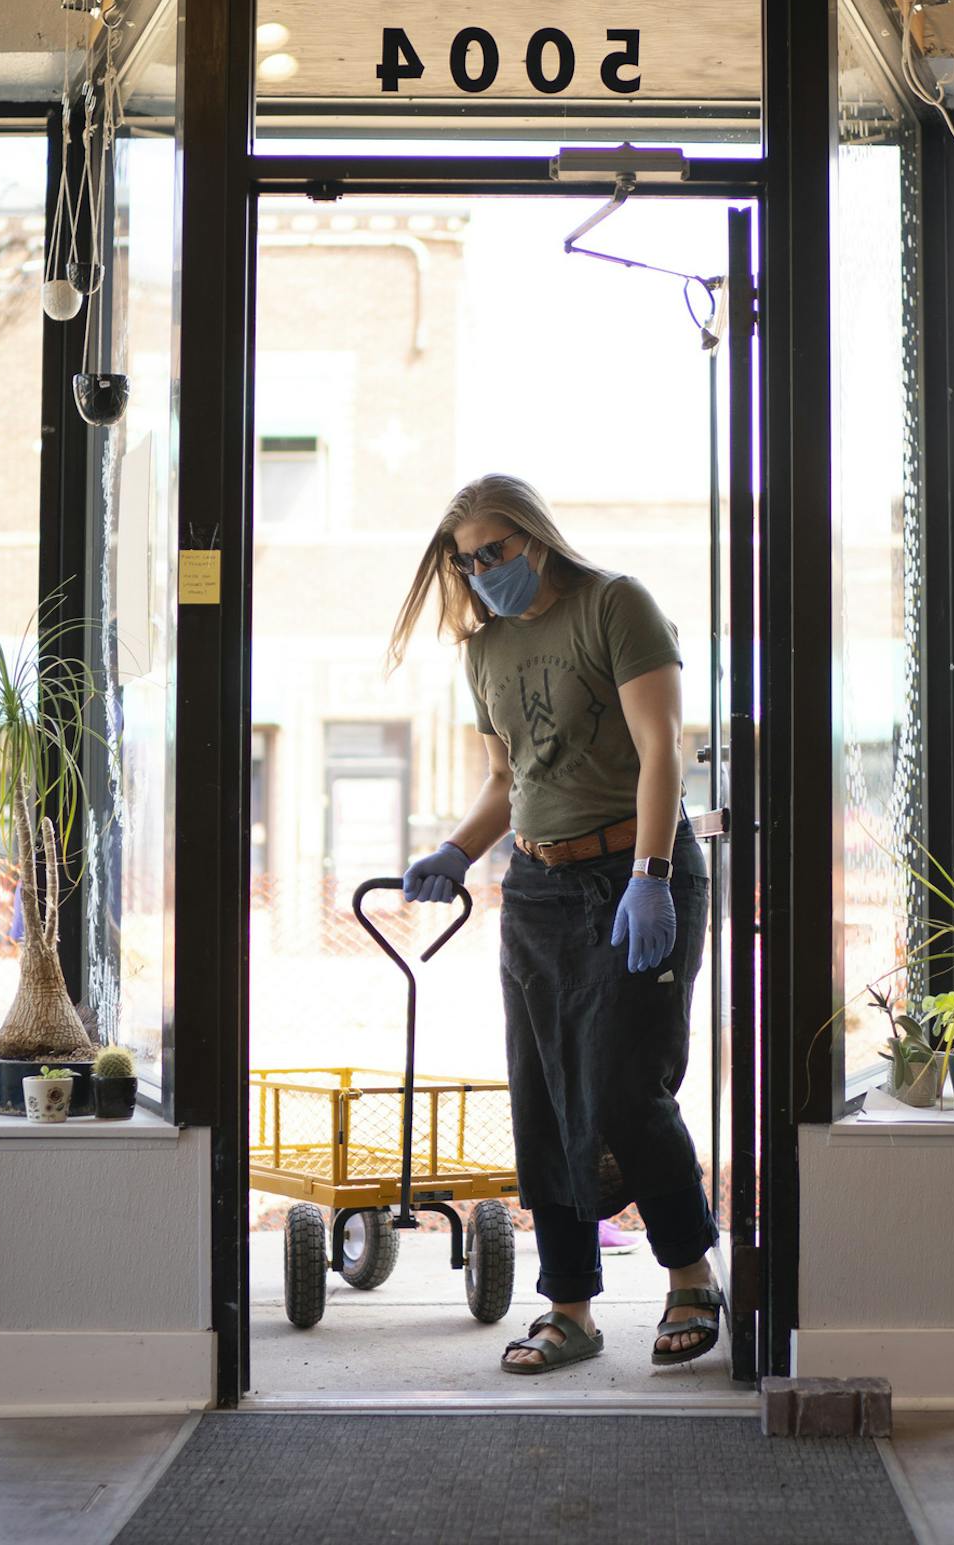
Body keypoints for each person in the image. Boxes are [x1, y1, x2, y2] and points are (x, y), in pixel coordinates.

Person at [387, 473, 720, 1374]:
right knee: (543, 1097)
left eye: (494, 550)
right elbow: (509, 780)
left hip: (633, 870)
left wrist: (650, 876)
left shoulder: (616, 605)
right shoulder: (484, 650)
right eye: (466, 560)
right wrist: (457, 851)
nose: (482, 570)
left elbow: (664, 750)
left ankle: (691, 1273)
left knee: (622, 1085)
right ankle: (568, 1308)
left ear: (536, 537)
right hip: (537, 887)